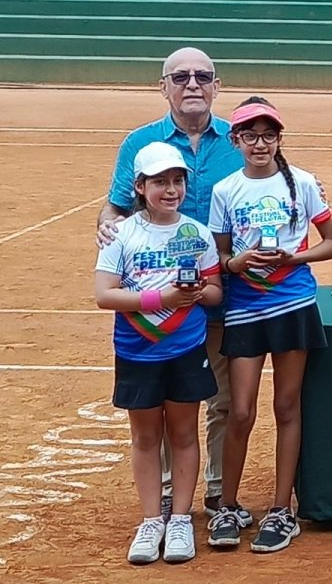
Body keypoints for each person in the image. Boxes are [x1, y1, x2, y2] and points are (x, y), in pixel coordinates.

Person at [96, 47, 243, 523]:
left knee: (221, 401)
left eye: (203, 76)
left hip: (222, 290)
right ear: (164, 86)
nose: (192, 84)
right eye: (180, 77)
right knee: (163, 405)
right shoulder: (140, 142)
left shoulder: (239, 141)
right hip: (159, 305)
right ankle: (162, 497)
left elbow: (272, 184)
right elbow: (115, 207)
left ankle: (219, 495)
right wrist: (104, 223)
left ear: (217, 85)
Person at [205, 97, 332, 553]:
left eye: (268, 135)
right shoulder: (226, 190)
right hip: (245, 309)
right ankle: (227, 505)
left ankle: (281, 510)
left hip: (293, 304)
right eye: (250, 135)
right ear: (236, 140)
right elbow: (220, 258)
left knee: (287, 408)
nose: (259, 143)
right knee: (240, 410)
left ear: (279, 139)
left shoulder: (302, 184)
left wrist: (295, 257)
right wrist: (237, 262)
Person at [94, 142, 223, 564]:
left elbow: (216, 292)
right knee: (146, 436)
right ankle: (151, 520)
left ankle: (181, 519)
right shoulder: (122, 233)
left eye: (177, 181)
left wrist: (200, 293)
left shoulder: (198, 233)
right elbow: (104, 295)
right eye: (161, 182)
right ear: (140, 186)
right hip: (137, 350)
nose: (171, 190)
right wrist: (163, 297)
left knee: (184, 433)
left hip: (186, 347)